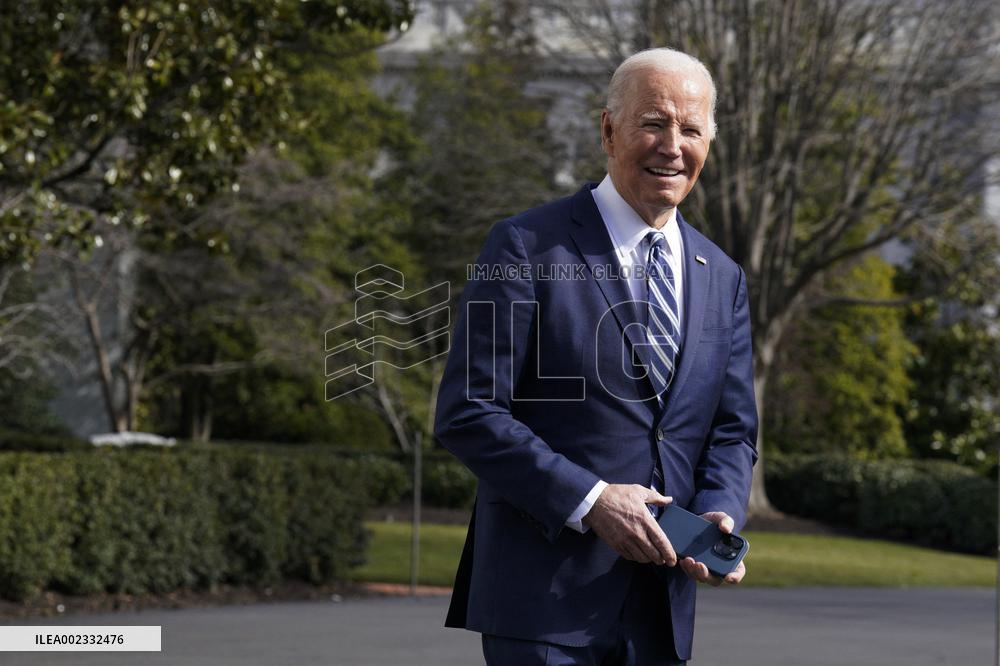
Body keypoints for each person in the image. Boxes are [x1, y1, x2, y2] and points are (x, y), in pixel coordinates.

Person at [433, 47, 758, 665]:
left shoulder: (722, 275)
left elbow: (733, 431)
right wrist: (592, 500)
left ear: (708, 145)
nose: (672, 145)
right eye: (654, 122)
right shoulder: (523, 245)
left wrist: (717, 512)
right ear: (608, 130)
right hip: (542, 609)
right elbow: (468, 411)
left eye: (691, 129)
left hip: (661, 614)